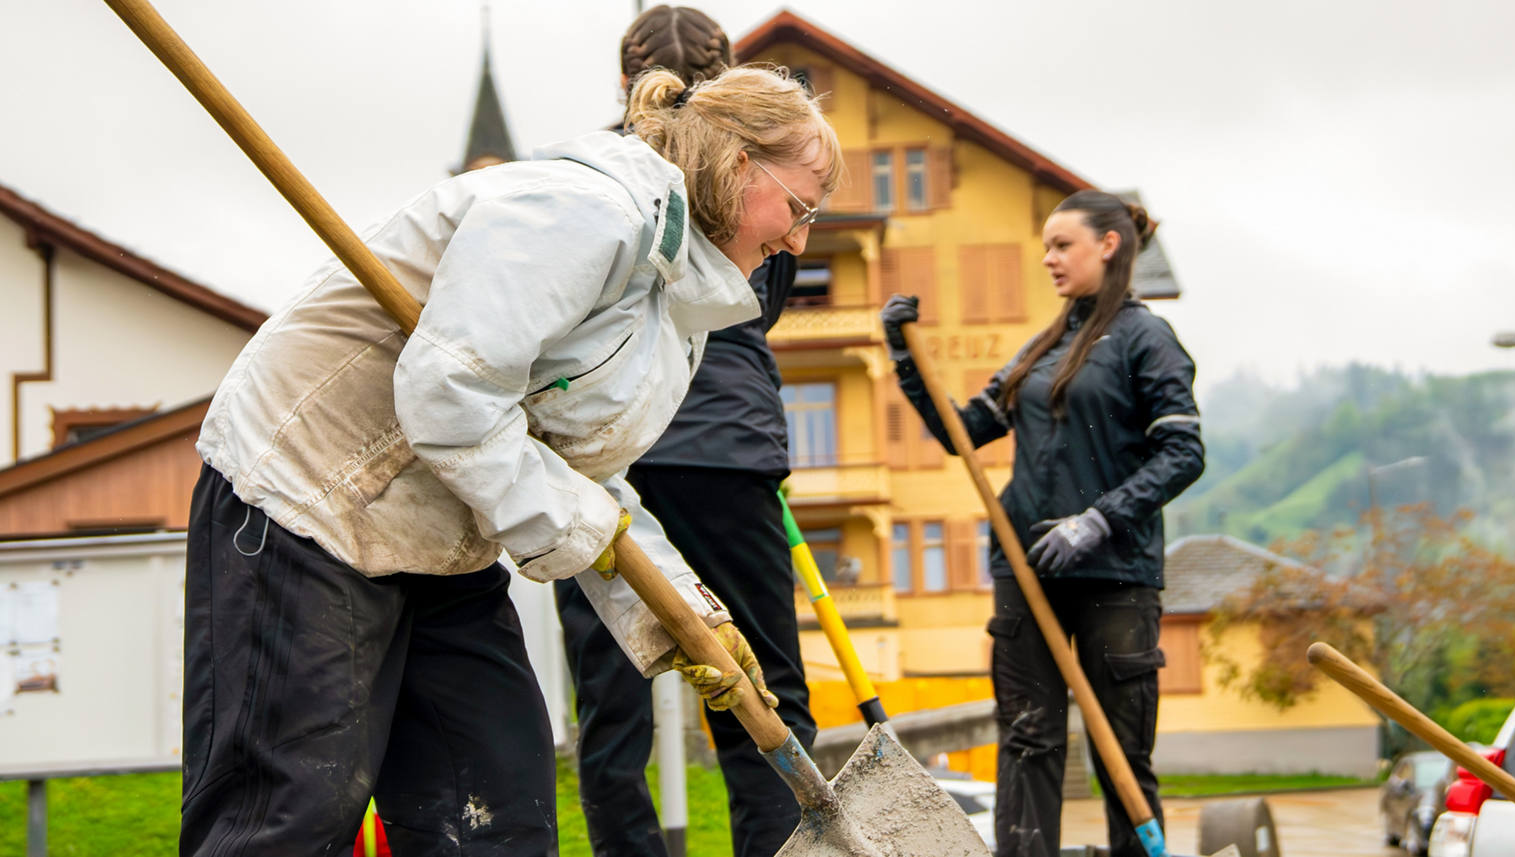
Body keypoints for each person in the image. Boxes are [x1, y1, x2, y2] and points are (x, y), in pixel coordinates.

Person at [180, 64, 840, 856]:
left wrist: (686, 608)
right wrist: (584, 528)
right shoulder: (579, 212)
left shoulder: (674, 304)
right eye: (799, 208)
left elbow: (580, 474)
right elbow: (450, 392)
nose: (798, 240)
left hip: (438, 534)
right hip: (309, 498)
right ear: (738, 166)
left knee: (496, 814)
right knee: (288, 815)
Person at [554, 8, 818, 857]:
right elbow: (760, 299)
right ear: (736, 73)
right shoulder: (757, 169)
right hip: (721, 447)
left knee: (611, 693)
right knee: (762, 682)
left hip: (603, 446)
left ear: (621, 80)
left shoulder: (588, 165)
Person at [880, 190, 1204, 857]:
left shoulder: (1147, 339)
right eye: (1046, 246)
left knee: (1121, 750)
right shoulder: (1043, 347)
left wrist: (1097, 520)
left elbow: (1184, 452)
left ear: (1107, 246)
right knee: (1028, 742)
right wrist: (906, 358)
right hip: (1027, 573)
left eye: (1063, 245)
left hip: (1116, 576)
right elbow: (962, 433)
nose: (1049, 259)